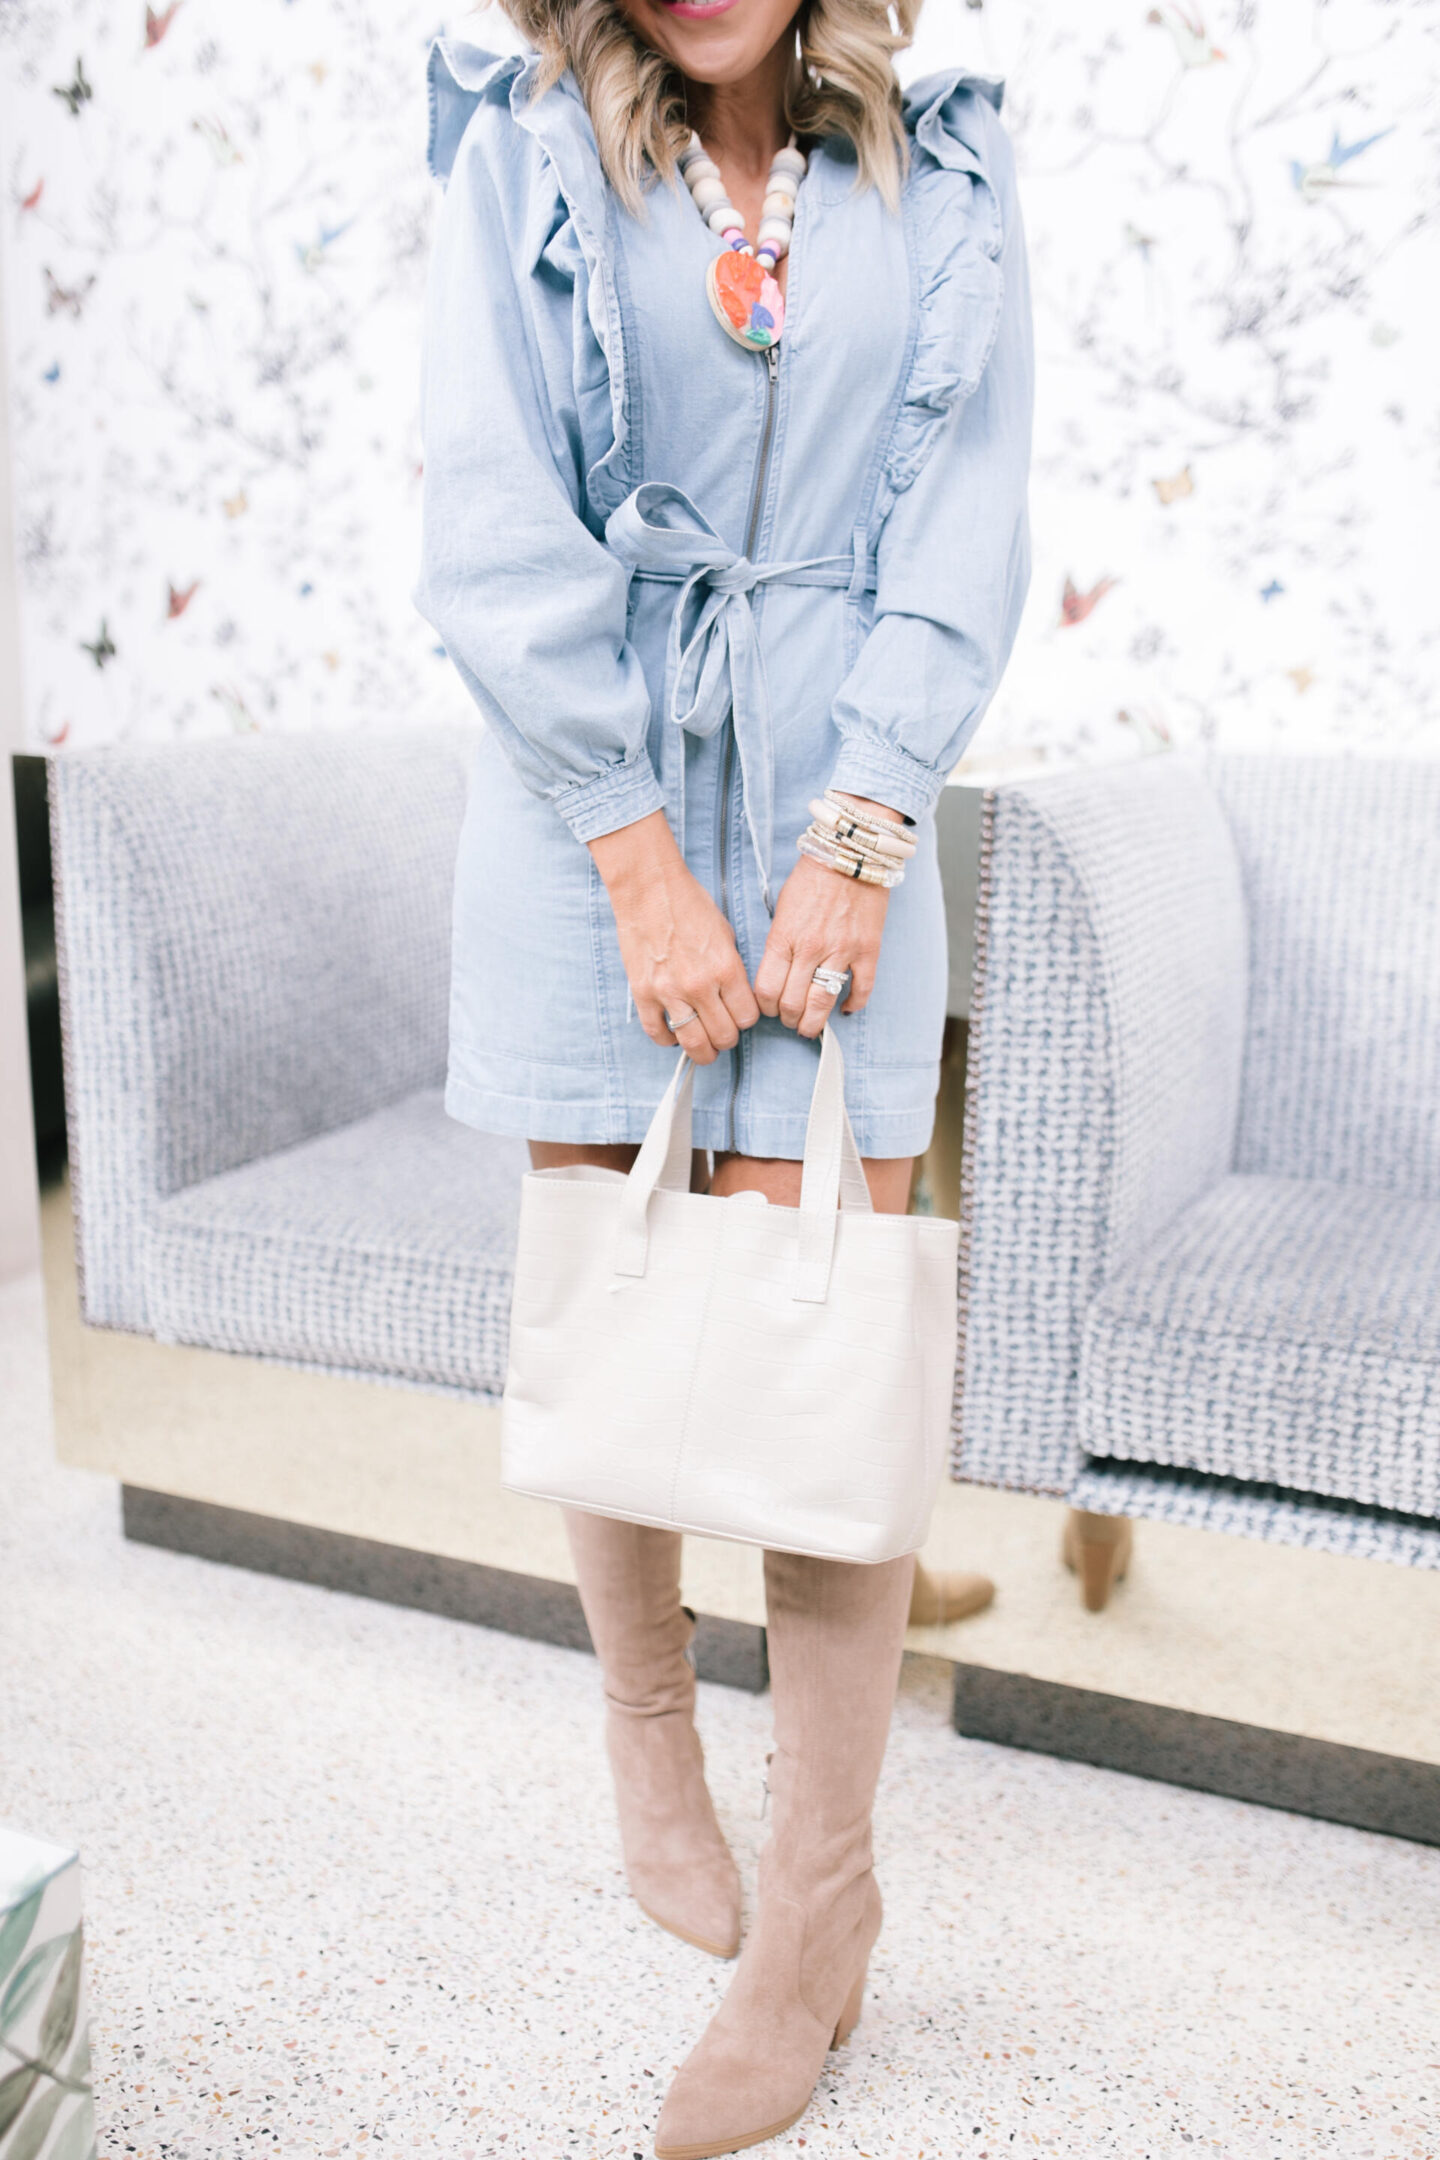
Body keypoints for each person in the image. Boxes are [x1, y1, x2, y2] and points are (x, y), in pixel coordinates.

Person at [416, 0, 1032, 2140]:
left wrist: (859, 838)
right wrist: (640, 858)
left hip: (836, 791)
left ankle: (822, 1905)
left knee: (821, 1324)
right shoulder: (518, 148)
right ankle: (649, 1739)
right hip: (586, 813)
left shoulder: (938, 158)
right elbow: (495, 526)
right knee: (610, 1269)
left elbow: (964, 516)